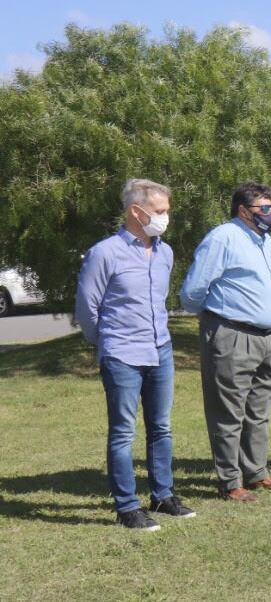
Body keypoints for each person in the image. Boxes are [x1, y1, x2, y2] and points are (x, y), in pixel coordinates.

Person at [76, 179, 195, 531]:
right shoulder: (105, 253)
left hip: (161, 350)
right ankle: (127, 506)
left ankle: (162, 495)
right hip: (122, 354)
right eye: (159, 211)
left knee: (161, 427)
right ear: (136, 211)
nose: (165, 217)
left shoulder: (165, 253)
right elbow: (87, 308)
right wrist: (110, 342)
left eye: (166, 211)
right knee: (123, 432)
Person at [179, 181, 271, 501]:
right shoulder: (223, 237)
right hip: (233, 336)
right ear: (244, 210)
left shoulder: (264, 240)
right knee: (228, 413)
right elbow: (192, 292)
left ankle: (256, 472)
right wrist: (217, 320)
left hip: (267, 339)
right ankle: (231, 482)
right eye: (264, 208)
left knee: (258, 411)